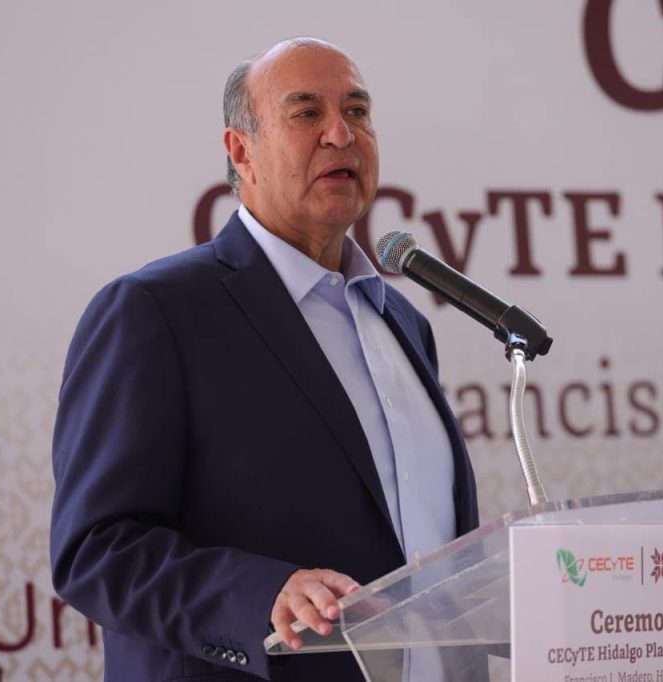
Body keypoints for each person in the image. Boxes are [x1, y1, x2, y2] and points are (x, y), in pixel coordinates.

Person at [49, 37, 479, 682]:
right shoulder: (155, 311)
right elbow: (96, 551)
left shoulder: (403, 322)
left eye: (357, 112)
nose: (341, 134)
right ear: (241, 151)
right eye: (306, 113)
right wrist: (260, 596)